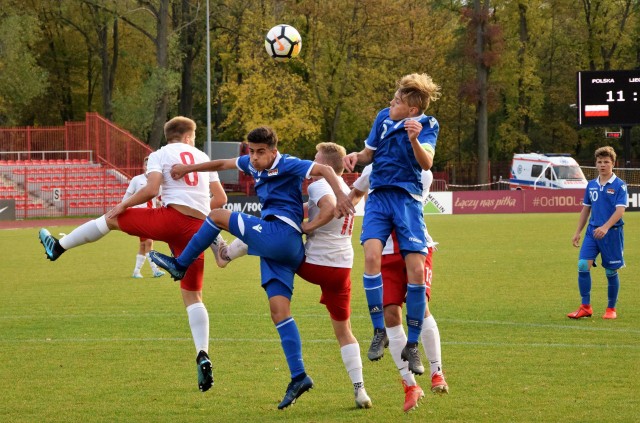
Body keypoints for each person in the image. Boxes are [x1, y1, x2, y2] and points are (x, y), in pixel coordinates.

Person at [149, 126, 355, 409]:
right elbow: (221, 164)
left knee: (218, 215)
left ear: (273, 151)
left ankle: (180, 264)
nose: (254, 158)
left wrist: (341, 196)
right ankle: (299, 376)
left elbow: (328, 171)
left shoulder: (290, 164)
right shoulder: (251, 163)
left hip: (282, 233)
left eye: (261, 152)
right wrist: (188, 168)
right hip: (278, 248)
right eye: (251, 151)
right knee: (279, 312)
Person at [38, 116, 228, 392]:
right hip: (197, 230)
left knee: (113, 218)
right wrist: (197, 207)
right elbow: (220, 200)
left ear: (171, 136)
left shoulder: (160, 154)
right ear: (189, 136)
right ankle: (203, 353)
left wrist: (123, 204)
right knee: (193, 295)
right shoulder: (202, 155)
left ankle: (58, 247)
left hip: (170, 219)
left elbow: (151, 189)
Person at [211, 142, 373, 409]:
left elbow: (331, 206)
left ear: (325, 164)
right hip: (342, 268)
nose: (312, 165)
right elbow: (347, 202)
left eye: (316, 160)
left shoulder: (320, 183)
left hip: (315, 263)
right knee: (344, 331)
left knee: (272, 238)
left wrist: (308, 225)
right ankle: (360, 390)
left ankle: (226, 255)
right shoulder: (346, 187)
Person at [343, 73, 441, 377]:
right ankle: (378, 332)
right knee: (370, 256)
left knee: (415, 270)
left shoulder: (428, 125)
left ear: (411, 110)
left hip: (407, 199)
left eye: (396, 101)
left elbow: (426, 164)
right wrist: (354, 157)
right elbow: (368, 154)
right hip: (379, 197)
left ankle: (412, 345)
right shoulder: (382, 117)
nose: (390, 103)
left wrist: (413, 139)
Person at [351, 165, 448, 412]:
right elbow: (356, 194)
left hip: (415, 248)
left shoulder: (421, 172)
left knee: (421, 308)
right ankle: (410, 385)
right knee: (390, 315)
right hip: (385, 253)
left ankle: (437, 372)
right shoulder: (372, 169)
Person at [568, 146, 627, 320]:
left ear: (613, 164)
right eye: (600, 162)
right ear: (596, 163)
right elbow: (586, 209)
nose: (602, 165)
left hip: (612, 234)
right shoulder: (591, 185)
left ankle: (611, 309)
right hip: (592, 232)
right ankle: (585, 306)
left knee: (610, 271)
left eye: (606, 162)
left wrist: (606, 227)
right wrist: (577, 231)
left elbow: (620, 210)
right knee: (582, 265)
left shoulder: (619, 185)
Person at [123, 156, 166, 279]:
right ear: (143, 166)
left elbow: (158, 199)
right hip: (139, 215)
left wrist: (158, 204)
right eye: (146, 164)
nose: (148, 167)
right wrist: (124, 208)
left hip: (151, 215)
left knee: (143, 245)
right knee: (149, 241)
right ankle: (155, 270)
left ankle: (136, 271)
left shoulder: (157, 181)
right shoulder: (137, 180)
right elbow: (127, 196)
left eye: (150, 165)